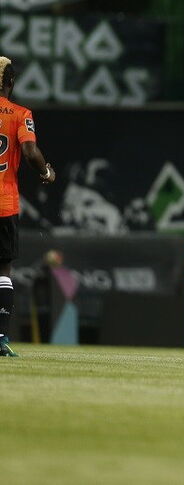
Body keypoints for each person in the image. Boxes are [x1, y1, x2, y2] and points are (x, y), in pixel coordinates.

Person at [0, 56, 55, 357]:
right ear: (11, 82)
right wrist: (46, 171)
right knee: (3, 270)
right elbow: (30, 151)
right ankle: (0, 338)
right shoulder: (21, 114)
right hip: (4, 202)